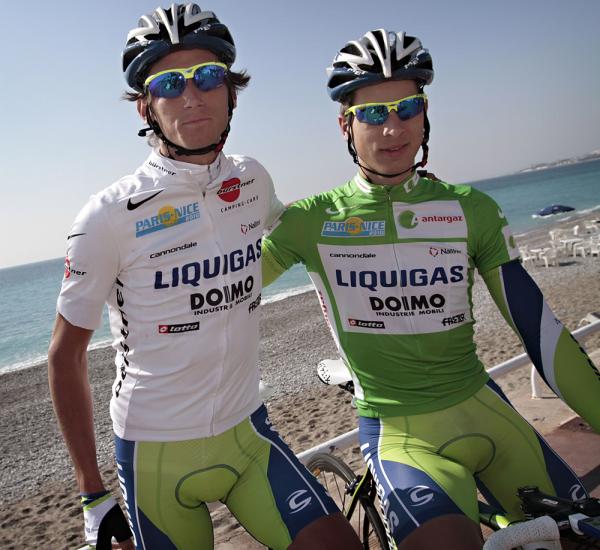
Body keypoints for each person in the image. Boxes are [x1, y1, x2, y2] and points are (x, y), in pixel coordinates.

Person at [262, 29, 600, 549]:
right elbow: (219, 292)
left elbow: (540, 332)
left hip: (484, 409)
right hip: (401, 434)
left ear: (424, 114)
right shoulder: (310, 220)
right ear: (346, 124)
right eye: (373, 113)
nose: (392, 128)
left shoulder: (471, 209)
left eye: (407, 108)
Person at [48, 4, 361, 549]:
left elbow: (301, 235)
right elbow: (64, 357)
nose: (191, 96)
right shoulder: (107, 216)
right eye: (169, 84)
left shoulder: (251, 178)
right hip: (155, 453)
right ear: (145, 105)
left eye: (208, 77)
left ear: (231, 93)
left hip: (248, 432)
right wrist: (92, 495)